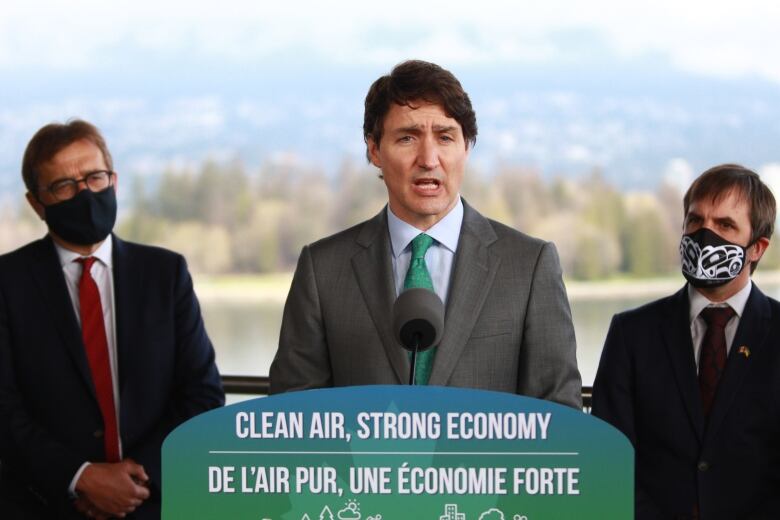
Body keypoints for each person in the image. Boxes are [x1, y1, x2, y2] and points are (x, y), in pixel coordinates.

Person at [270, 60, 581, 408]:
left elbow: (560, 424)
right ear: (374, 149)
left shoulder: (529, 266)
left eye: (445, 137)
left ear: (467, 147)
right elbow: (290, 421)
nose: (429, 158)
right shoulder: (322, 270)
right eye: (407, 137)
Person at [0, 120, 225, 519]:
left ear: (114, 180)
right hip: (41, 504)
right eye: (64, 186)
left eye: (95, 177)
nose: (84, 193)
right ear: (37, 203)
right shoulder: (7, 283)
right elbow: (5, 409)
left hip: (154, 502)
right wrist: (81, 477)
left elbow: (202, 395)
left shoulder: (165, 274)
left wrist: (137, 480)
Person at [592, 164, 780, 519]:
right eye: (695, 221)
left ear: (757, 248)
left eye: (725, 225)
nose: (705, 234)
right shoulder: (631, 333)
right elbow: (609, 459)